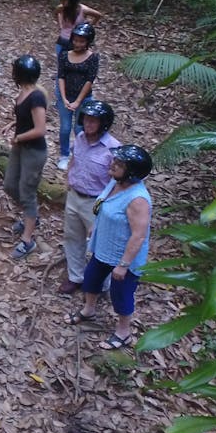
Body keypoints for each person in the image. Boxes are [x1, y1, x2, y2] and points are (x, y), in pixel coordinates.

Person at [66, 144, 153, 349]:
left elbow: (139, 236)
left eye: (119, 164)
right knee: (91, 279)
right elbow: (105, 206)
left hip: (123, 257)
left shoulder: (138, 199)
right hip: (104, 248)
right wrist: (95, 227)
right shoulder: (115, 183)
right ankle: (89, 310)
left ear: (131, 172)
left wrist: (123, 265)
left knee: (121, 293)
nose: (113, 164)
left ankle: (124, 332)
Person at [59, 99, 121, 294]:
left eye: (93, 121)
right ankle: (75, 277)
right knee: (72, 237)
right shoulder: (79, 139)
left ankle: (102, 285)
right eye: (86, 119)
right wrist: (68, 179)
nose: (88, 124)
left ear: (103, 123)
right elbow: (74, 160)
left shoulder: (113, 148)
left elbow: (120, 180)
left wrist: (107, 205)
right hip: (74, 196)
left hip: (96, 202)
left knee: (100, 244)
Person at [4, 55, 47, 259]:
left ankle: (27, 240)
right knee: (10, 185)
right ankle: (32, 216)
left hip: (34, 151)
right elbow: (25, 119)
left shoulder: (37, 96)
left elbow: (40, 129)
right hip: (21, 147)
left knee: (27, 192)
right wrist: (13, 126)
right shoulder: (24, 93)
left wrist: (18, 137)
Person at [55, 22, 100, 170]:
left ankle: (80, 156)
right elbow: (60, 76)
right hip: (66, 97)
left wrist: (78, 101)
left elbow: (89, 80)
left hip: (83, 98)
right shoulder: (64, 55)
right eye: (75, 40)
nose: (77, 43)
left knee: (80, 129)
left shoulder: (93, 58)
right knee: (65, 128)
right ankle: (64, 155)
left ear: (88, 41)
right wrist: (64, 97)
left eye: (81, 41)